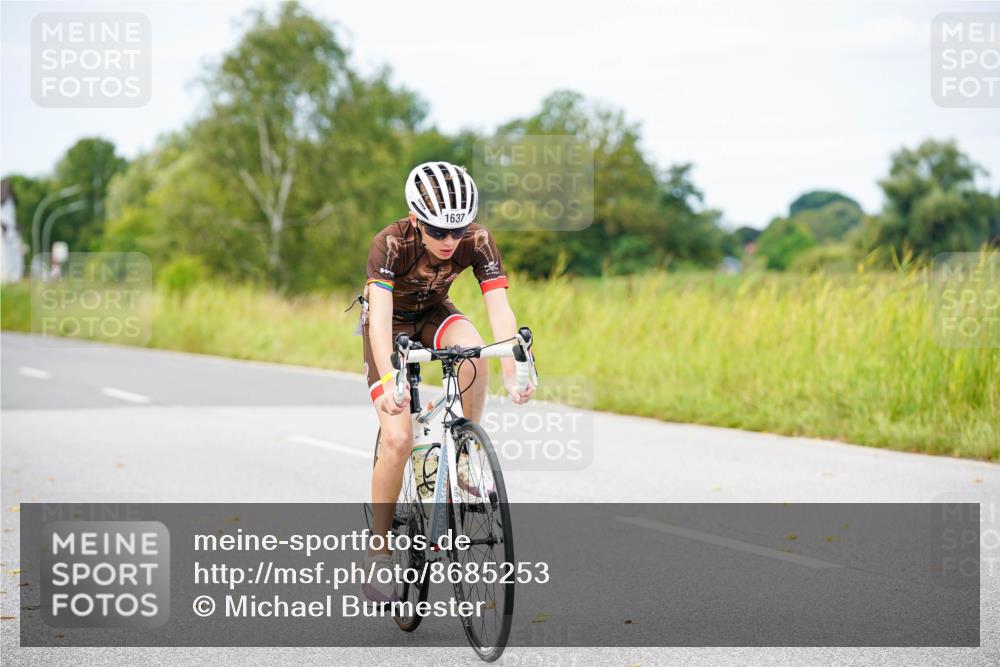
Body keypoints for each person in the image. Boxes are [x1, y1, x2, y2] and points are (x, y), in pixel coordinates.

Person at [359, 162, 535, 604]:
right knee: (398, 439)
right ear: (417, 220)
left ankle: (462, 452)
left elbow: (499, 308)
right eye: (438, 231)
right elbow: (380, 319)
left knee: (475, 354)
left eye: (456, 232)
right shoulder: (390, 242)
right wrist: (389, 376)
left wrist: (514, 366)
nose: (448, 242)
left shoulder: (477, 239)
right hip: (390, 327)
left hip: (435, 313)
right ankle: (378, 550)